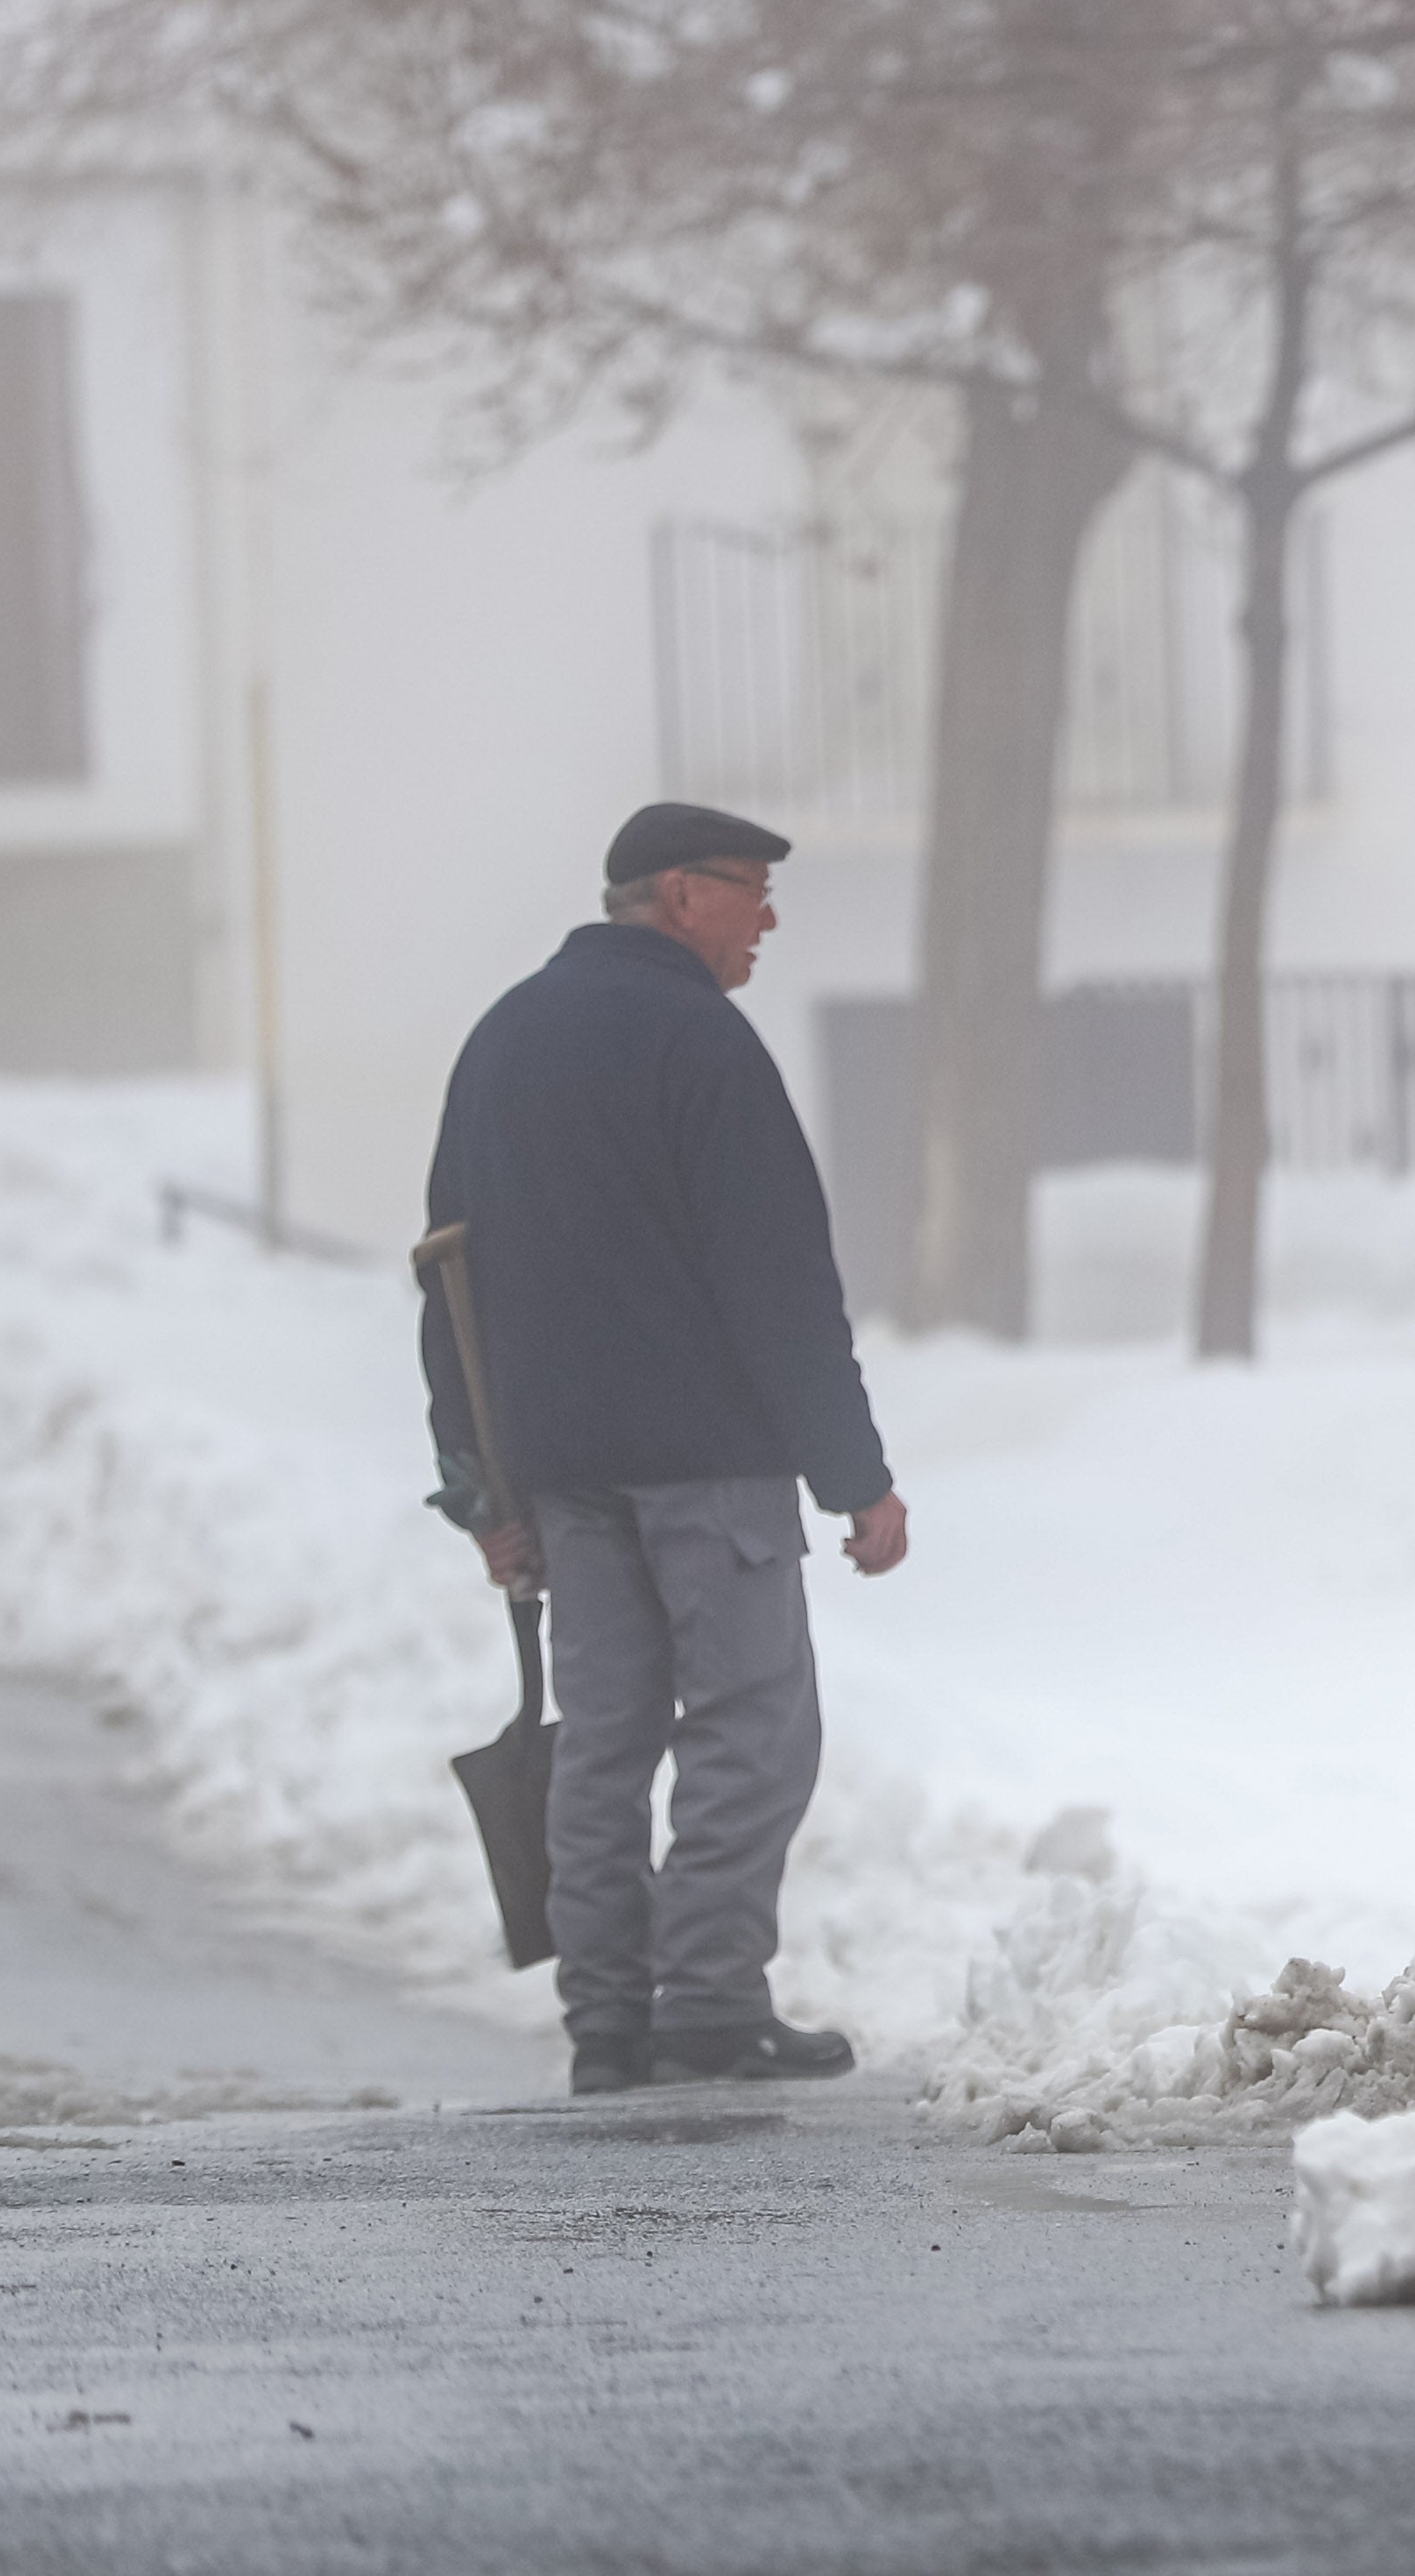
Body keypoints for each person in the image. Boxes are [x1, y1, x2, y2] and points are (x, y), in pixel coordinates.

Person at [419, 802, 910, 2096]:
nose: (768, 916)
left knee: (604, 1735)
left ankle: (608, 2019)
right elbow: (780, 1279)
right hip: (707, 1466)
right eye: (752, 889)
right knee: (751, 1722)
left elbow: (447, 1278)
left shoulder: (503, 1040)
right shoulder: (703, 1040)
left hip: (565, 1476)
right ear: (682, 896)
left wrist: (481, 1486)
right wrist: (853, 1475)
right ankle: (705, 2001)